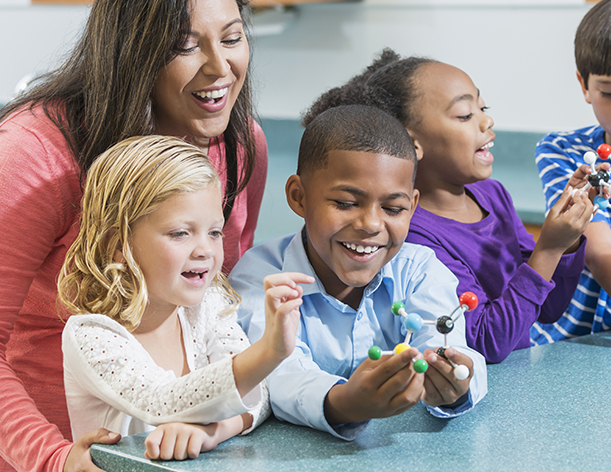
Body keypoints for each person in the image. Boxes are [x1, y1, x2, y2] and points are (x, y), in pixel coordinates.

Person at [0, 0, 267, 469]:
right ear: (130, 50)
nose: (221, 67)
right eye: (185, 46)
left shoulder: (240, 144)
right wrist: (55, 459)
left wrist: (222, 424)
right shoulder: (33, 154)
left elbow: (214, 312)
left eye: (232, 38)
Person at [302, 51, 596, 364]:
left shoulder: (492, 194)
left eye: (483, 108)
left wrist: (567, 239)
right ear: (411, 143)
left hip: (518, 384)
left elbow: (548, 308)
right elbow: (484, 342)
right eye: (465, 115)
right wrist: (549, 249)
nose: (487, 121)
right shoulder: (411, 234)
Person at [230, 105, 487, 440]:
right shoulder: (261, 278)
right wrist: (344, 403)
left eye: (394, 209)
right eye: (346, 203)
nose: (370, 225)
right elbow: (273, 376)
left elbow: (451, 345)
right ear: (299, 197)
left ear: (413, 205)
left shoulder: (420, 270)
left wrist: (455, 384)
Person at [58, 135, 312, 461]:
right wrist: (269, 351)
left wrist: (210, 433)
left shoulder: (208, 304)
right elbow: (163, 402)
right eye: (180, 233)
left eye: (214, 232)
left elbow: (257, 397)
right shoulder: (90, 335)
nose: (205, 250)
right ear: (118, 245)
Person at [531, 0, 611, 344]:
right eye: (609, 92)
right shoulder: (566, 151)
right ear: (584, 85)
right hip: (572, 342)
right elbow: (598, 251)